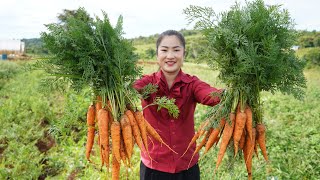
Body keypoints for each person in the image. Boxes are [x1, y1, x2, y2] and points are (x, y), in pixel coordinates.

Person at [134, 30, 223, 180]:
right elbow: (128, 91)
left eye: (176, 50)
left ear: (184, 54)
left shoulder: (192, 84)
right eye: (164, 50)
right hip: (153, 167)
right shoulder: (147, 83)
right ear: (157, 55)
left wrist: (231, 93)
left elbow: (211, 95)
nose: (170, 56)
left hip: (187, 167)